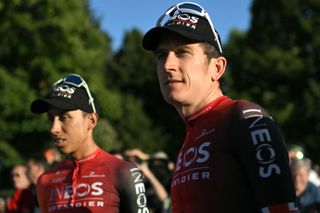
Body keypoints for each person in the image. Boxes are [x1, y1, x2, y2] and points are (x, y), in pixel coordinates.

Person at [142, 2, 299, 212]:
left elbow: (282, 208)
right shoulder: (192, 135)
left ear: (217, 67)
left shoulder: (244, 118)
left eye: (182, 52)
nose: (167, 65)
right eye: (161, 55)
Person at [30, 73, 149, 213]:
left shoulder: (122, 172)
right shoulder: (45, 181)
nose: (53, 128)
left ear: (91, 121)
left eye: (64, 117)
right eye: (51, 118)